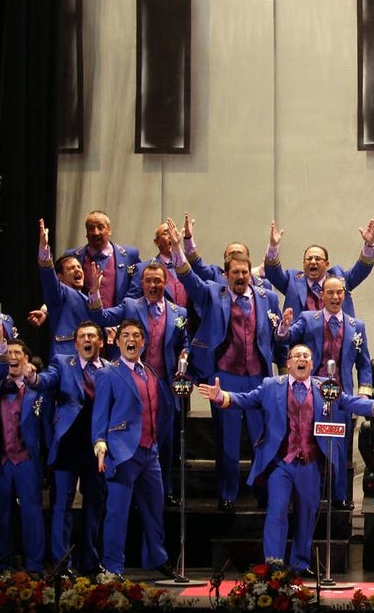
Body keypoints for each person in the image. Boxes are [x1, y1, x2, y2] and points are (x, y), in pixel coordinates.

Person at [197, 344, 374, 577]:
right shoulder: (271, 386)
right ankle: (274, 563)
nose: (301, 359)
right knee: (276, 511)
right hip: (282, 462)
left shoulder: (325, 387)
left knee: (307, 515)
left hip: (310, 462)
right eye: (296, 356)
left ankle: (299, 563)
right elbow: (245, 399)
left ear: (311, 363)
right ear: (288, 363)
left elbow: (351, 402)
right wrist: (222, 397)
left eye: (306, 356)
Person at [168, 219, 282, 511]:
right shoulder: (211, 293)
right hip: (225, 378)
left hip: (259, 378)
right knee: (228, 444)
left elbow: (276, 335)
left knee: (262, 439)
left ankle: (263, 495)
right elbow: (187, 277)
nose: (240, 276)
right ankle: (228, 495)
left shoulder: (267, 297)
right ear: (226, 275)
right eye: (235, 272)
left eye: (245, 271)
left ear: (250, 274)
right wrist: (179, 248)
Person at [87, 260, 189, 505]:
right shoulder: (131, 306)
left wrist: (184, 356)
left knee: (164, 439)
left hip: (162, 384)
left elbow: (184, 341)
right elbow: (100, 316)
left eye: (158, 281)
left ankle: (165, 490)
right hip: (130, 382)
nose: (153, 285)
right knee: (132, 433)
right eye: (148, 280)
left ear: (165, 284)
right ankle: (128, 487)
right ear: (141, 283)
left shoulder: (179, 313)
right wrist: (94, 292)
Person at [277, 275, 374, 508]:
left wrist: (364, 393)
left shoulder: (356, 326)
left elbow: (364, 363)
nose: (335, 297)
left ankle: (339, 497)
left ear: (345, 295)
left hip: (342, 397)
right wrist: (284, 326)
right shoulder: (308, 319)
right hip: (311, 395)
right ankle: (306, 495)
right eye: (330, 293)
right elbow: (288, 337)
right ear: (322, 296)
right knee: (308, 443)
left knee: (339, 448)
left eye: (339, 292)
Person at [91, 320, 178, 581]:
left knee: (154, 509)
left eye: (136, 336)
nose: (131, 340)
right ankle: (112, 566)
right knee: (117, 512)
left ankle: (157, 558)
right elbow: (100, 414)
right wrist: (100, 442)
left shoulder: (149, 371)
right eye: (126, 335)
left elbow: (158, 412)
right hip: (121, 452)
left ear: (143, 342)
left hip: (150, 453)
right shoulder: (108, 373)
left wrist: (156, 445)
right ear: (117, 342)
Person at [26, 322, 108, 576]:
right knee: (62, 504)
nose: (87, 340)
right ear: (75, 344)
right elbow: (45, 380)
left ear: (100, 342)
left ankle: (90, 562)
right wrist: (33, 377)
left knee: (95, 505)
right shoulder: (62, 362)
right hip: (68, 445)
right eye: (82, 336)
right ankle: (62, 565)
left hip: (98, 448)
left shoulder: (109, 369)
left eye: (92, 336)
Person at [0, 339, 47, 573]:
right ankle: (1, 565)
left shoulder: (38, 390)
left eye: (17, 352)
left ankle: (34, 566)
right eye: (8, 352)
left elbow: (46, 427)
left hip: (27, 461)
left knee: (32, 515)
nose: (12, 356)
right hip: (1, 462)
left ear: (25, 359)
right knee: (0, 516)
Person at [264, 218, 374, 319]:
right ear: (303, 263)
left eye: (318, 258)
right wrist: (273, 247)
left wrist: (369, 245)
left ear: (327, 264)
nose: (313, 261)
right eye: (309, 259)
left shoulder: (339, 278)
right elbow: (273, 274)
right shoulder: (292, 280)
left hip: (336, 339)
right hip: (300, 341)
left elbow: (361, 269)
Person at [35, 219, 93, 358]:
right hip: (66, 357)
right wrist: (44, 252)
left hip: (89, 358)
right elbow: (49, 279)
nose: (77, 270)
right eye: (71, 268)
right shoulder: (59, 293)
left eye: (79, 267)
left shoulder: (88, 298)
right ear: (60, 276)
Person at [63, 209, 143, 307]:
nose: (96, 232)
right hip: (84, 319)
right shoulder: (72, 257)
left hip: (120, 319)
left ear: (109, 230)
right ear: (86, 233)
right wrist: (46, 310)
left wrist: (124, 310)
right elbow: (60, 289)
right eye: (91, 228)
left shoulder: (130, 256)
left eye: (100, 227)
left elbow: (138, 287)